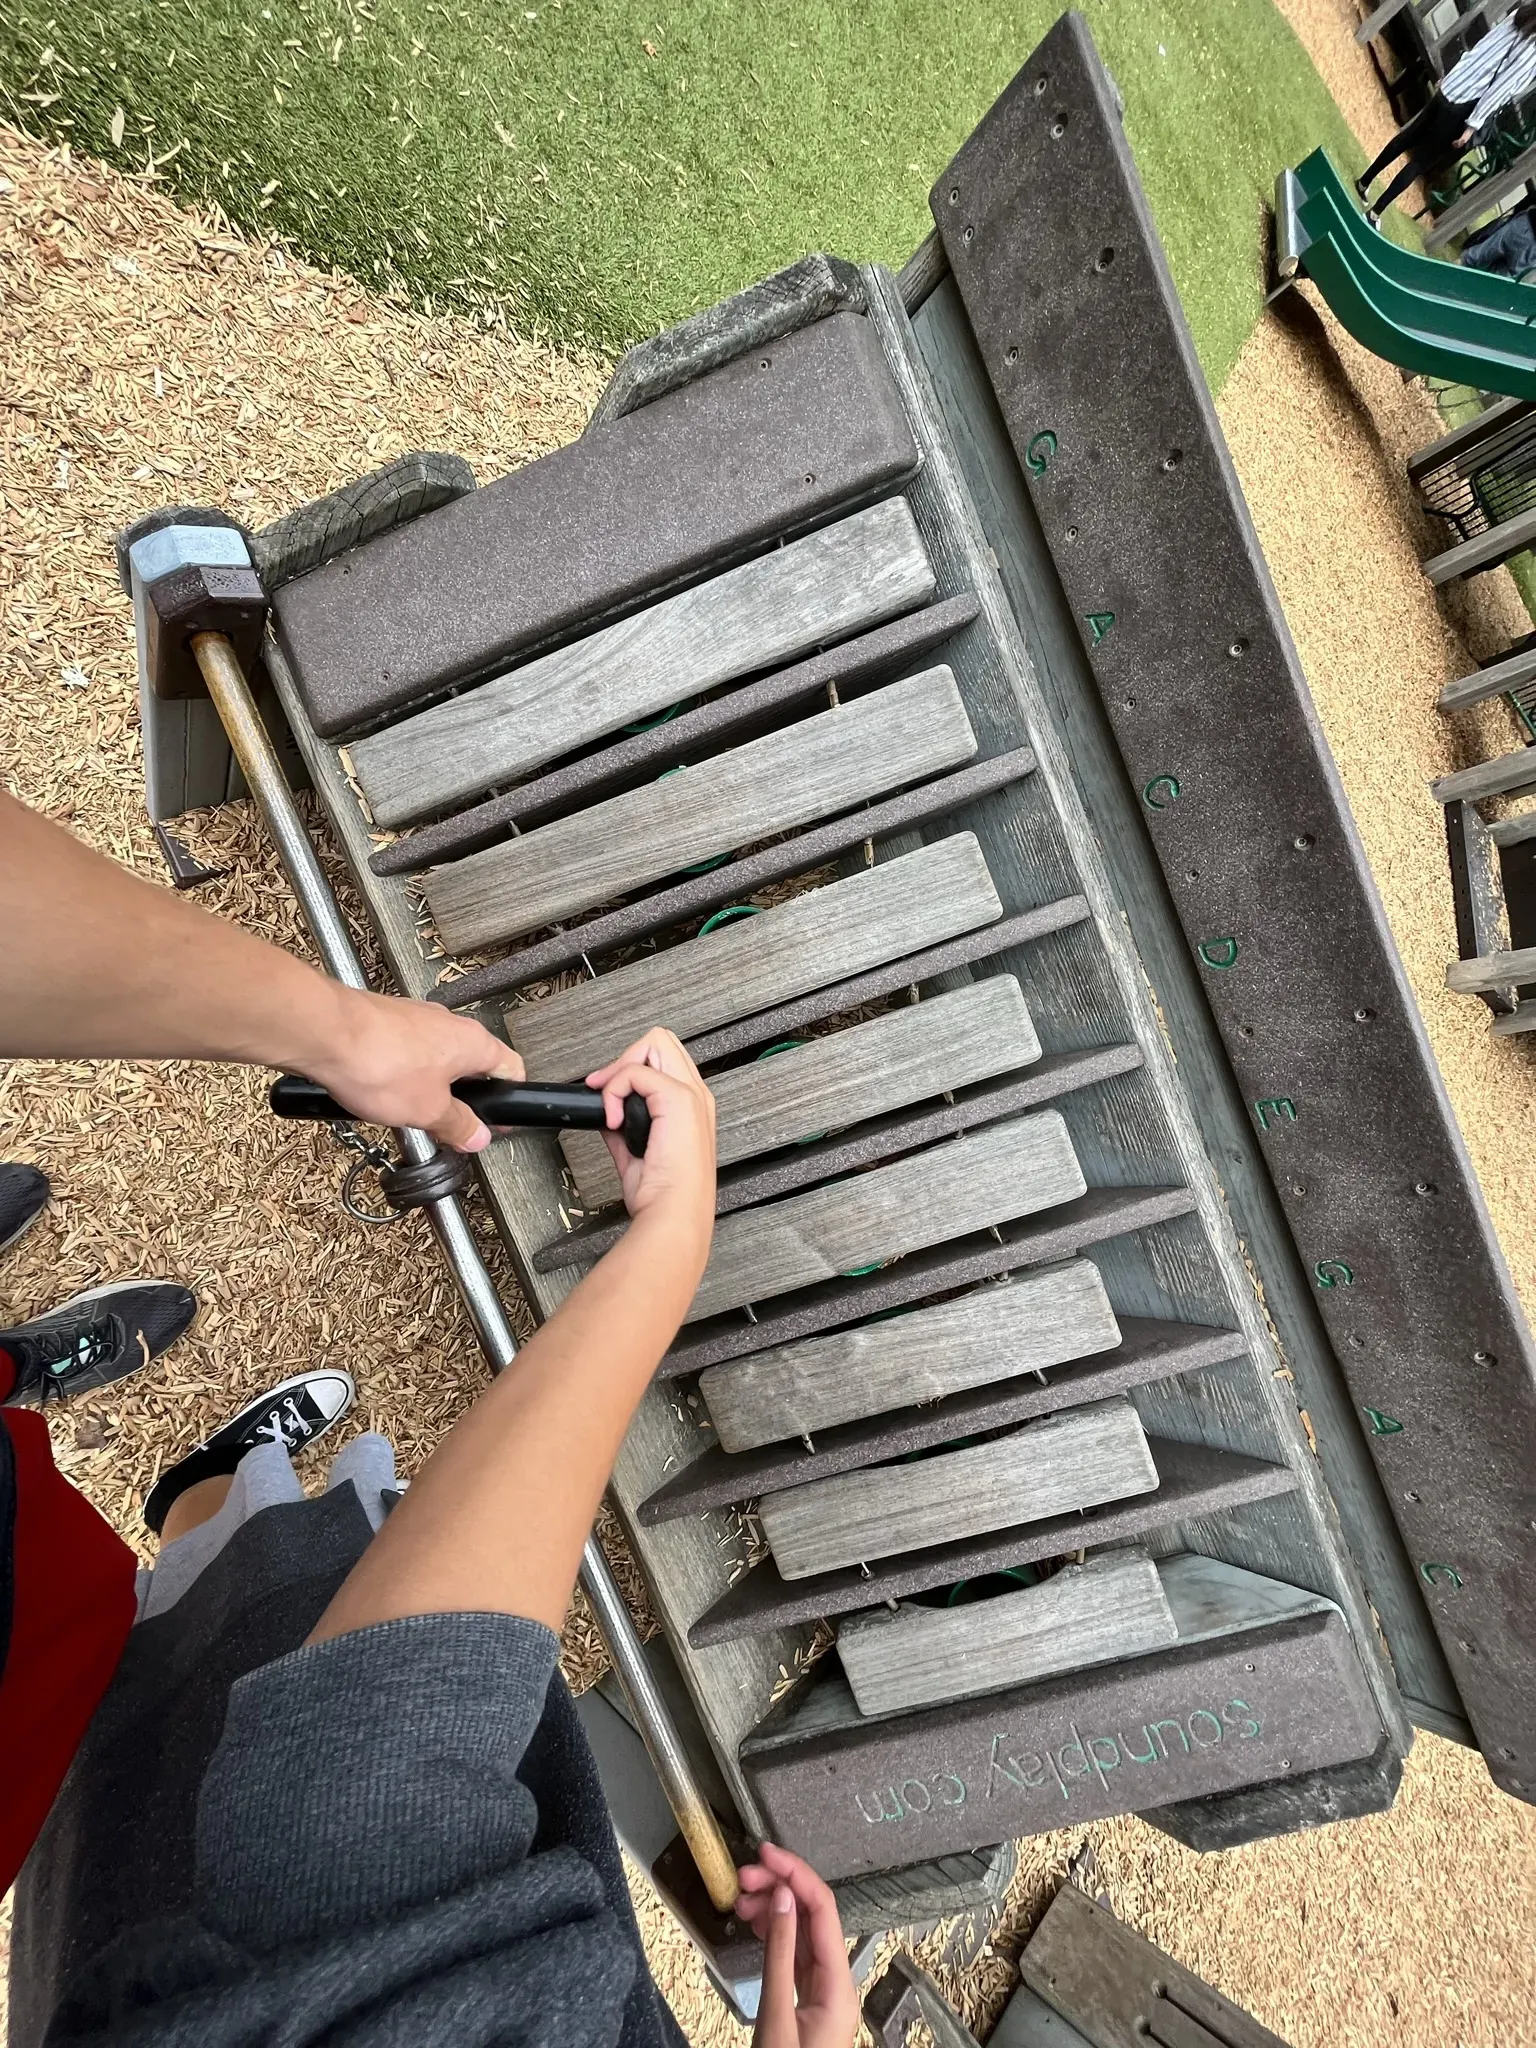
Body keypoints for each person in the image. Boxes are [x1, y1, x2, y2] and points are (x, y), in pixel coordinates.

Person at [1, 790, 860, 2048]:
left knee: (195, 1620)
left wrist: (669, 1243)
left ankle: (198, 1482)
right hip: (104, 1878)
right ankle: (197, 1484)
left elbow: (373, 1763)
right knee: (216, 1611)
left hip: (108, 1808)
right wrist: (339, 1033)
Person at [1357, 3, 1536, 225]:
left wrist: (1453, 74)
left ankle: (1364, 182)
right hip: (1464, 105)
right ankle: (1374, 214)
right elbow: (1500, 88)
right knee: (1421, 162)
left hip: (1454, 86)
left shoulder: (1517, 15)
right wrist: (1472, 126)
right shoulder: (1532, 53)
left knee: (1408, 137)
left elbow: (1480, 48)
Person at [1460, 197, 1536, 277]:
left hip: (1524, 225)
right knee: (1496, 279)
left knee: (1471, 257)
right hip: (1530, 250)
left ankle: (1451, 271)